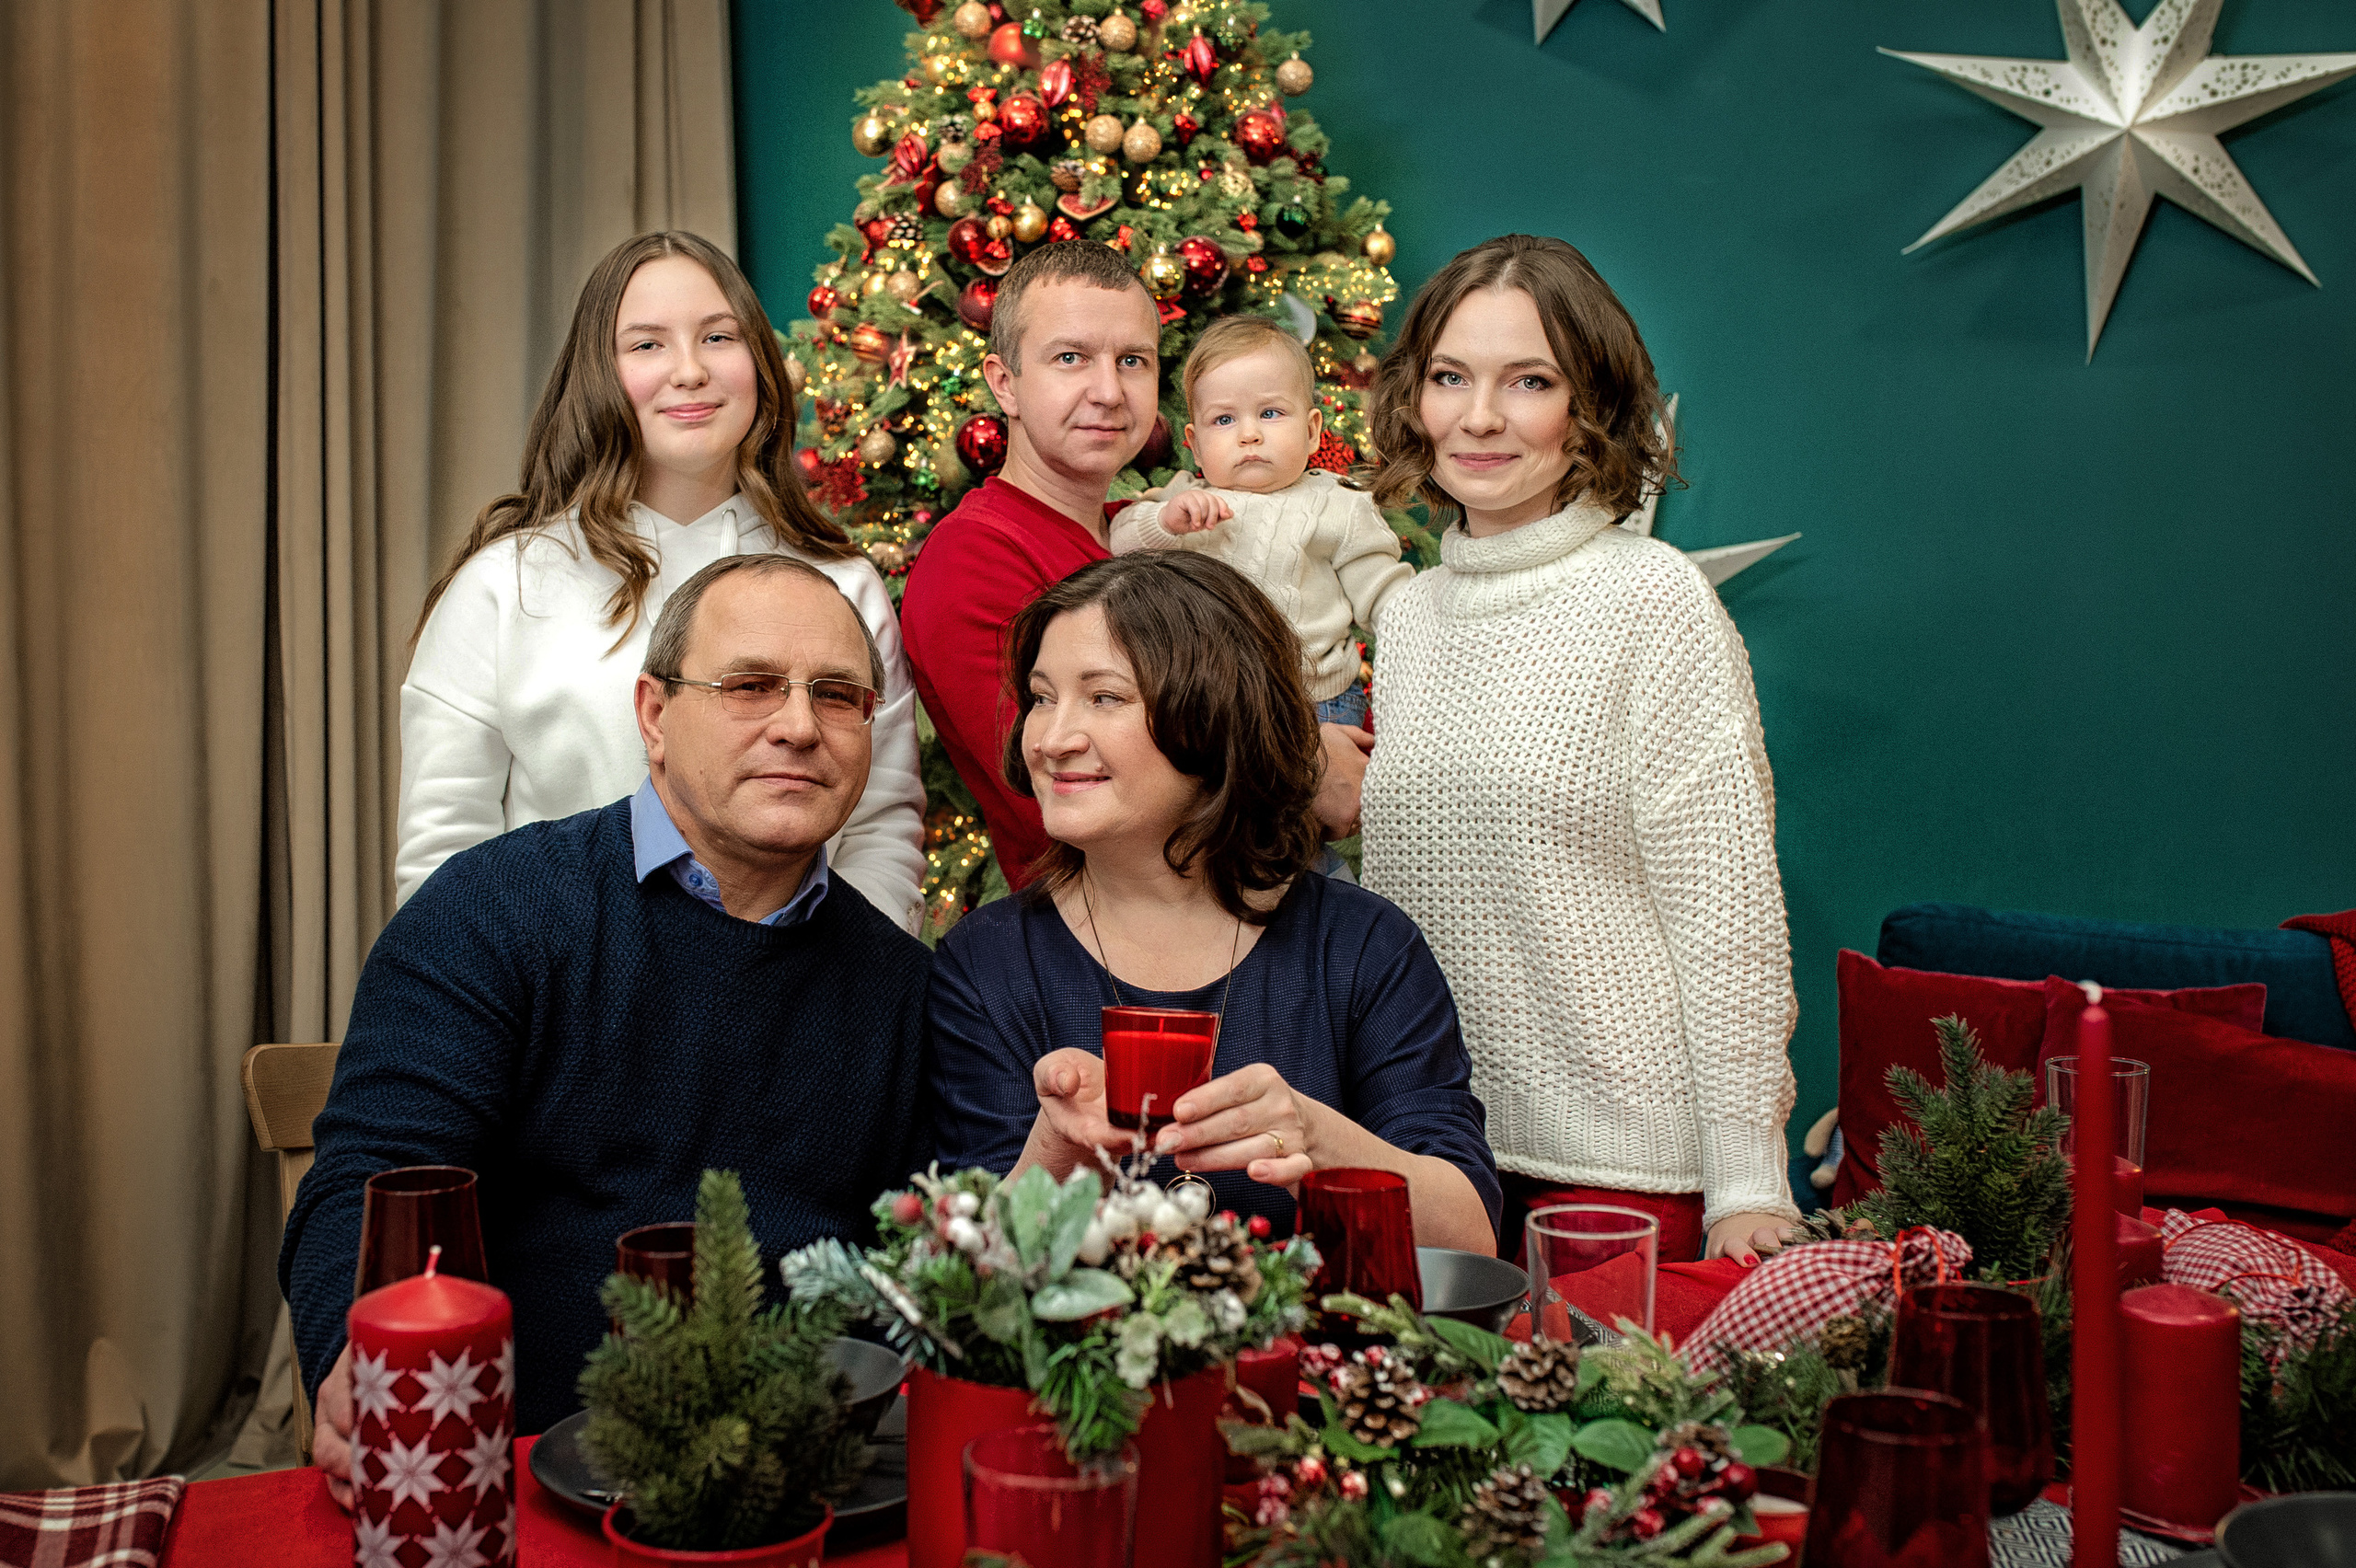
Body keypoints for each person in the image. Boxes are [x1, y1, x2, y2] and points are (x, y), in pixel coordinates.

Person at [285, 555, 933, 1498]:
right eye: (750, 685)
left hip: (817, 1487)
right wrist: (359, 1352)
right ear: (654, 716)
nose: (799, 726)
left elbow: (937, 1267)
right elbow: (374, 1184)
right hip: (514, 1476)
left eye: (838, 696)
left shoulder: (905, 985)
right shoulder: (492, 913)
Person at [1357, 235, 1801, 1266]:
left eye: (1528, 382)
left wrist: (1747, 1179)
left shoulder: (1653, 601)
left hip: (1615, 1180)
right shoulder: (1412, 618)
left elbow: (1727, 914)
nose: (1478, 417)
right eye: (1449, 378)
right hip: (1436, 1157)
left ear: (1586, 405)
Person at [926, 552, 1500, 1246]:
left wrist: (1321, 1142)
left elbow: (1470, 1237)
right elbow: (960, 1274)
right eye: (1043, 697)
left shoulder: (1362, 946)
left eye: (1104, 697)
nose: (1050, 739)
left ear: (1216, 716)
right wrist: (1058, 1152)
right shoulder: (986, 965)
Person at [398, 230, 927, 931]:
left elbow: (881, 829)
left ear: (761, 365)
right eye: (647, 344)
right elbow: (444, 855)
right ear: (599, 374)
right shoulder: (503, 587)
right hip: (561, 1009)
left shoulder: (843, 585)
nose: (690, 371)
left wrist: (830, 994)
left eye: (718, 337)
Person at [899, 242, 1372, 889]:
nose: (1108, 391)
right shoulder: (971, 558)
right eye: (1070, 358)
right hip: (1119, 946)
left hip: (1260, 903)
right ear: (1003, 382)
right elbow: (1068, 789)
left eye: (1132, 361)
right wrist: (1301, 764)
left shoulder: (1165, 530)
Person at [1110, 315, 1410, 732]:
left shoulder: (1339, 505)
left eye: (1270, 413)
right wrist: (1165, 521)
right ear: (1195, 446)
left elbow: (1386, 597)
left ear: (1311, 432)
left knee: (1321, 794)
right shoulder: (1188, 501)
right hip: (1209, 708)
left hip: (1319, 706)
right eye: (1225, 420)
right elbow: (1119, 544)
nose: (1249, 434)